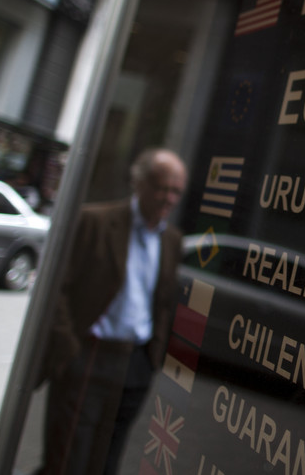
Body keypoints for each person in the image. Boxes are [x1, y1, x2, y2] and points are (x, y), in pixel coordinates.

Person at [41, 148, 187, 474]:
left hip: (135, 365)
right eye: (161, 188)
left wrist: (152, 358)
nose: (168, 198)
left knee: (106, 462)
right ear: (139, 183)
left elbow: (163, 302)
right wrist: (69, 349)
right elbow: (58, 287)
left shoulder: (172, 240)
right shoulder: (95, 221)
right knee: (67, 461)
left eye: (176, 191)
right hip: (88, 356)